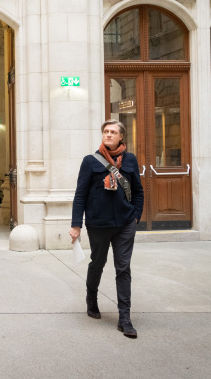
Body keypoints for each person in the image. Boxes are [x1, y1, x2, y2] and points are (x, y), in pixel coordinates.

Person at [69, 119, 144, 338]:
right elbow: (80, 195)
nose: (108, 135)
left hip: (124, 224)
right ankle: (91, 297)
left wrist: (136, 216)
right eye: (105, 131)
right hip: (98, 223)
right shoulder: (90, 161)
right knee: (98, 263)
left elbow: (138, 191)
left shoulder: (130, 160)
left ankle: (125, 318)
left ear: (122, 136)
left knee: (123, 268)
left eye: (113, 132)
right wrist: (76, 225)